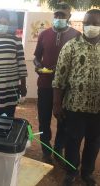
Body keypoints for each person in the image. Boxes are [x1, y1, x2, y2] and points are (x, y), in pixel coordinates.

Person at [53, 9, 100, 186]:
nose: (91, 27)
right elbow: (59, 78)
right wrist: (57, 104)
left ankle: (87, 172)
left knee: (94, 142)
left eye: (95, 23)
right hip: (74, 105)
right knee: (73, 140)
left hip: (98, 108)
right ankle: (71, 172)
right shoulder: (71, 46)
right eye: (87, 23)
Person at [33, 2, 80, 163]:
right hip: (45, 84)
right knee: (44, 120)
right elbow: (36, 58)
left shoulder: (76, 35)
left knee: (63, 121)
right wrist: (38, 66)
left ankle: (59, 148)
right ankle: (46, 151)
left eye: (62, 15)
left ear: (69, 17)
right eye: (56, 15)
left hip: (67, 88)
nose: (59, 18)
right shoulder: (44, 34)